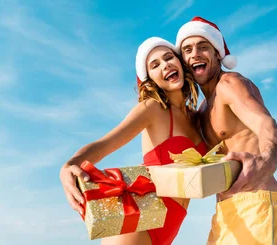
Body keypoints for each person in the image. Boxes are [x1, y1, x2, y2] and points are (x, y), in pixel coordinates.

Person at [58, 37, 208, 245]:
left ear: (180, 63)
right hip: (139, 222)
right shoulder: (153, 108)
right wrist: (70, 165)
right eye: (155, 65)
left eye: (168, 57)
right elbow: (104, 145)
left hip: (171, 223)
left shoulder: (198, 118)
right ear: (150, 79)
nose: (165, 65)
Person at [175, 17, 277, 245]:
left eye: (203, 46)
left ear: (218, 54)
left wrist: (268, 160)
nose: (195, 53)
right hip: (226, 212)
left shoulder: (230, 84)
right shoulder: (202, 109)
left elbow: (266, 125)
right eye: (188, 50)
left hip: (255, 203)